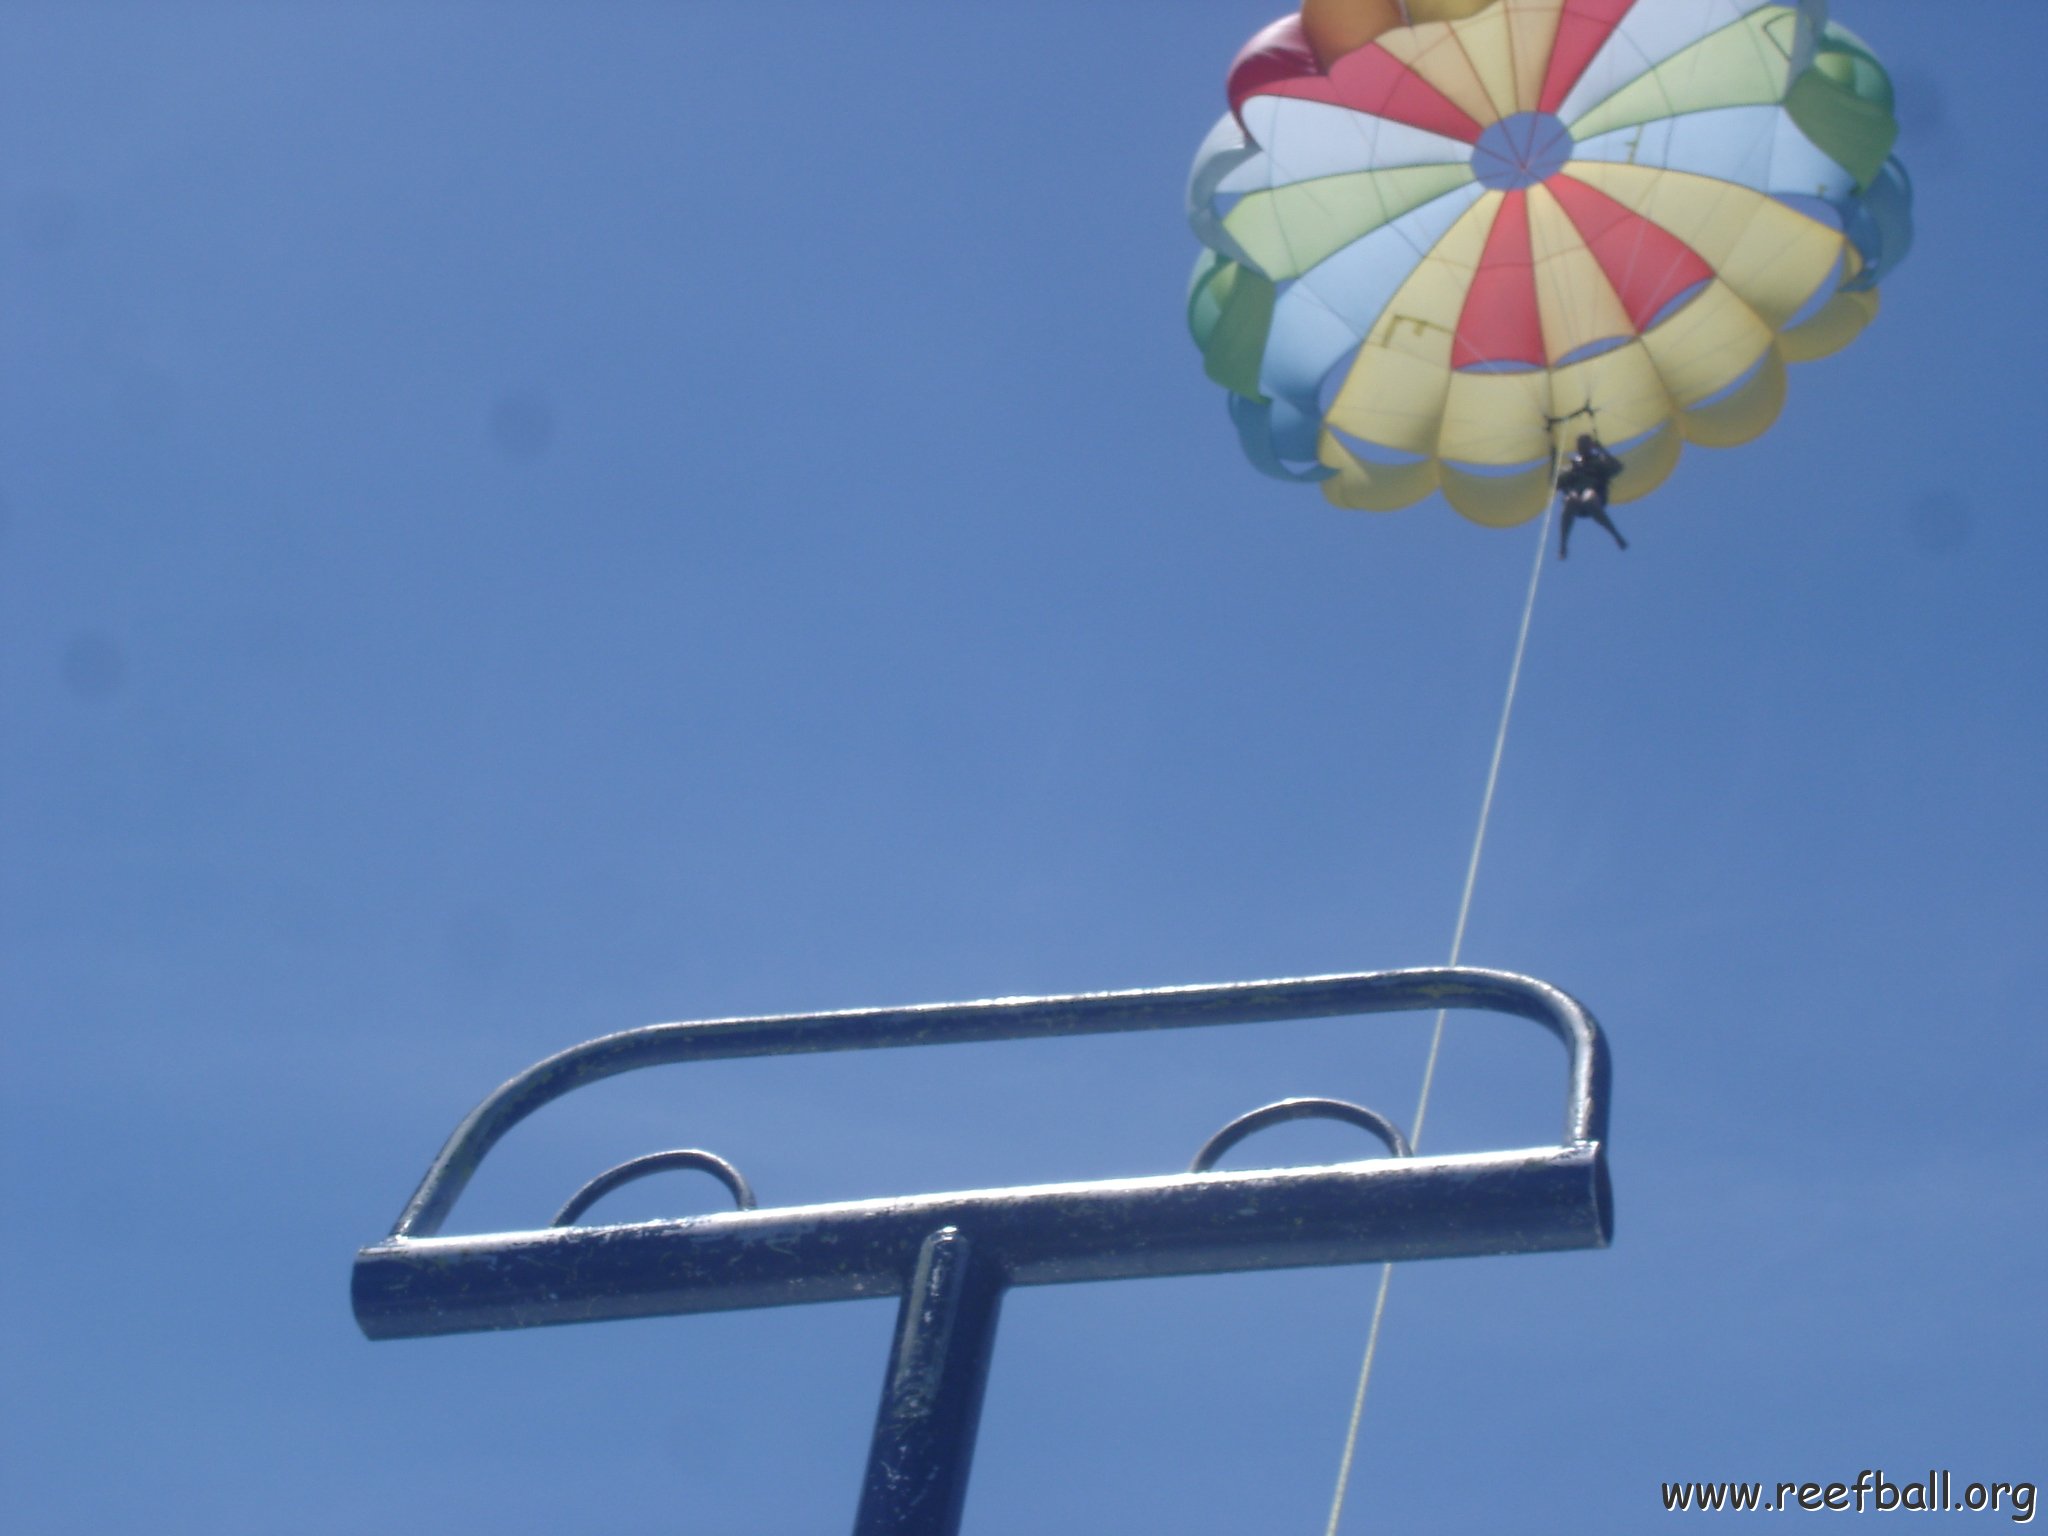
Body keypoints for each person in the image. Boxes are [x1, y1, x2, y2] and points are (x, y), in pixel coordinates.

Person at [1556, 433, 1626, 558]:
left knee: (1588, 497)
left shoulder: (1599, 461)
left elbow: (1617, 467)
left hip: (1595, 496)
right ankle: (1563, 545)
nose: (1582, 447)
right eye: (1580, 444)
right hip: (1576, 500)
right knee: (1570, 499)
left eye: (1585, 444)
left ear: (1590, 446)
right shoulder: (1572, 466)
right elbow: (1557, 483)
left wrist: (1601, 449)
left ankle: (1615, 535)